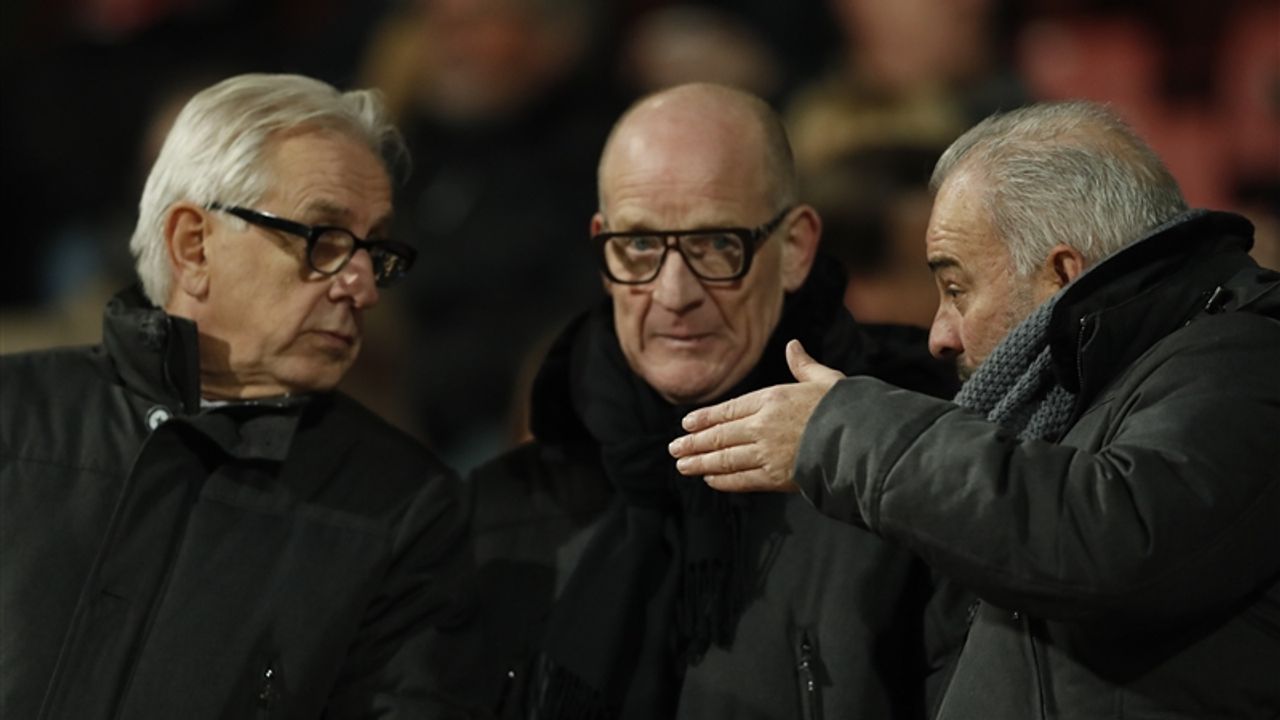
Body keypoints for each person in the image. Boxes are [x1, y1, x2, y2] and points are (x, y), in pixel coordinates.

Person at [670, 101, 1280, 718]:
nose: (940, 335)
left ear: (1063, 275)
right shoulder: (1084, 393)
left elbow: (1110, 538)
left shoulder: (1247, 358)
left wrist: (845, 434)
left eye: (957, 288)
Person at [466, 82, 969, 719]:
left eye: (714, 245)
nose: (675, 293)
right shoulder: (507, 509)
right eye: (641, 246)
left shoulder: (901, 472)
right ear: (603, 246)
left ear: (795, 248)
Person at [0, 74, 478, 719]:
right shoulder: (14, 414)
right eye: (323, 239)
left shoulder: (406, 509)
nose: (362, 287)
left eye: (374, 251)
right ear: (193, 244)